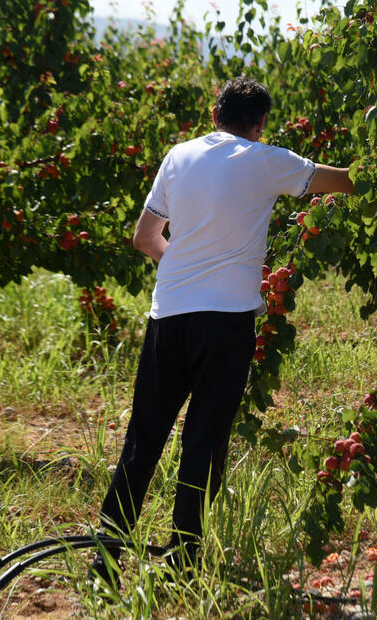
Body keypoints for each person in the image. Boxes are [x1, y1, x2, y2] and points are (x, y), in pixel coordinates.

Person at [89, 76, 353, 588]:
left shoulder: (177, 155)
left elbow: (145, 237)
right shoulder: (266, 158)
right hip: (226, 322)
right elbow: (343, 181)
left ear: (214, 115)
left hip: (169, 316)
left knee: (143, 440)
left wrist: (183, 267)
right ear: (258, 125)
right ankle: (184, 564)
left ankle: (105, 559)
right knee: (204, 441)